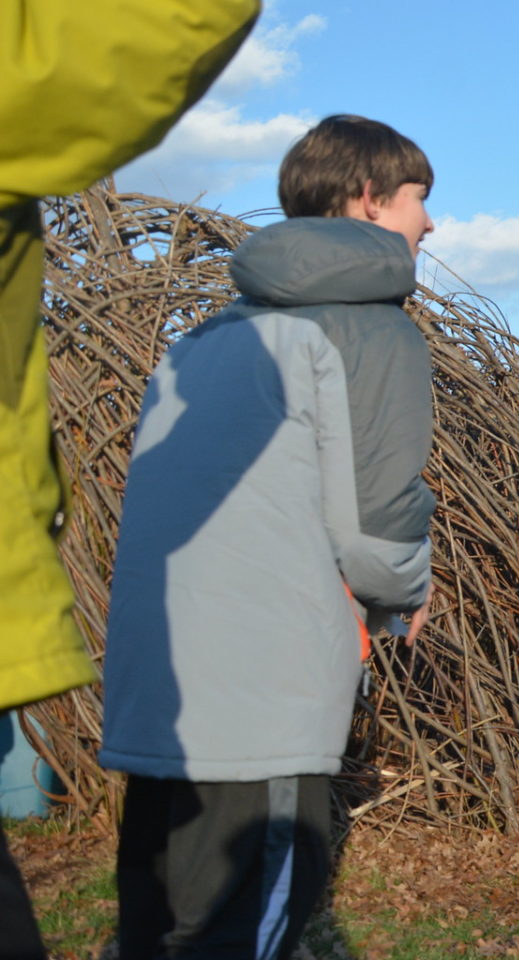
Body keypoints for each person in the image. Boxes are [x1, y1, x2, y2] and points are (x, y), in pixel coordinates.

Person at [98, 115, 438, 960]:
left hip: (166, 693)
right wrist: (406, 595)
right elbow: (374, 521)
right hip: (266, 696)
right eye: (417, 201)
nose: (429, 224)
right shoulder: (372, 329)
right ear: (366, 200)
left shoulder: (203, 340)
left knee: (153, 926)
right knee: (242, 932)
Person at [1, 3, 260, 953]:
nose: (430, 222)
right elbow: (117, 48)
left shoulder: (198, 361)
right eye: (413, 202)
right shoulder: (342, 347)